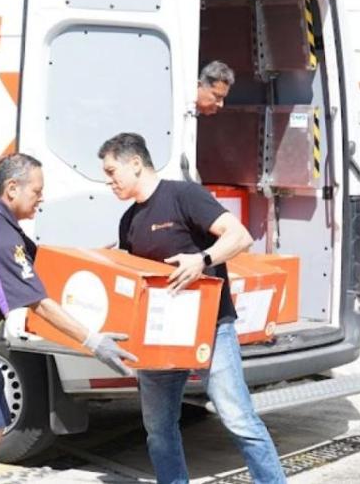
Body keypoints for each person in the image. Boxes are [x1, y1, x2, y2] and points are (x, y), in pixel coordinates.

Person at [0, 153, 136, 484]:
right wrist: (94, 342)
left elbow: (41, 267)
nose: (42, 198)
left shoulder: (2, 224)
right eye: (36, 191)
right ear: (12, 188)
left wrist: (99, 259)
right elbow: (39, 303)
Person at [98, 133, 286, 484]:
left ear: (136, 163)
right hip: (160, 337)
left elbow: (240, 236)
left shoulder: (184, 196)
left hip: (211, 328)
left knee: (238, 419)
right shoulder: (129, 221)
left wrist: (203, 259)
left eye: (112, 171)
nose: (108, 181)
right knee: (158, 429)